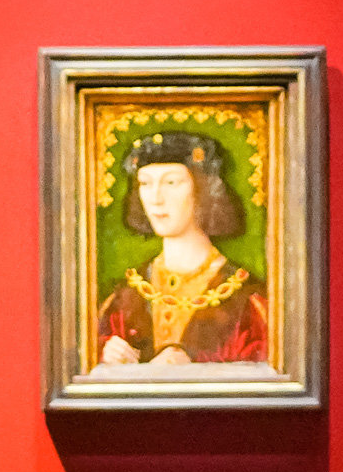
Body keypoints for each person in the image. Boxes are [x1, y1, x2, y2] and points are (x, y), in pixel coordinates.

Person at [96, 131, 270, 367]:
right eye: (145, 183)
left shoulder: (249, 301)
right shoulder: (122, 299)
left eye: (171, 182)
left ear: (202, 189)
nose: (156, 198)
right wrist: (107, 357)